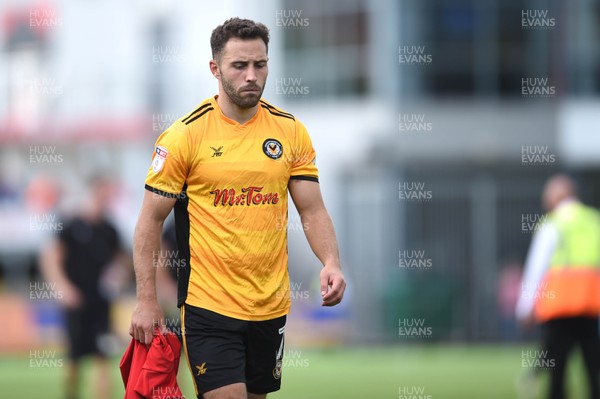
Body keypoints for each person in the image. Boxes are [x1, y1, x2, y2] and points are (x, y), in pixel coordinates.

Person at [129, 18, 346, 399]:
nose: (252, 76)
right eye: (239, 66)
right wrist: (146, 300)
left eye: (260, 65)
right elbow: (149, 221)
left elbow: (311, 210)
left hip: (270, 307)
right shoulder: (185, 135)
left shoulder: (290, 131)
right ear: (215, 68)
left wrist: (330, 261)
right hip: (207, 307)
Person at [40, 176, 127, 399]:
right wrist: (63, 288)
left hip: (101, 302)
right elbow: (51, 258)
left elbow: (122, 260)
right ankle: (71, 394)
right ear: (91, 192)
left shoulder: (110, 228)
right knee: (74, 358)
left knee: (103, 354)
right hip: (75, 302)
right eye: (102, 193)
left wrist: (117, 275)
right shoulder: (71, 225)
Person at [516, 174, 600, 399]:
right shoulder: (594, 221)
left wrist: (524, 308)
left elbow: (536, 268)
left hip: (559, 307)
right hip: (590, 305)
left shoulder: (552, 224)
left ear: (557, 196)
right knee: (593, 368)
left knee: (557, 370)